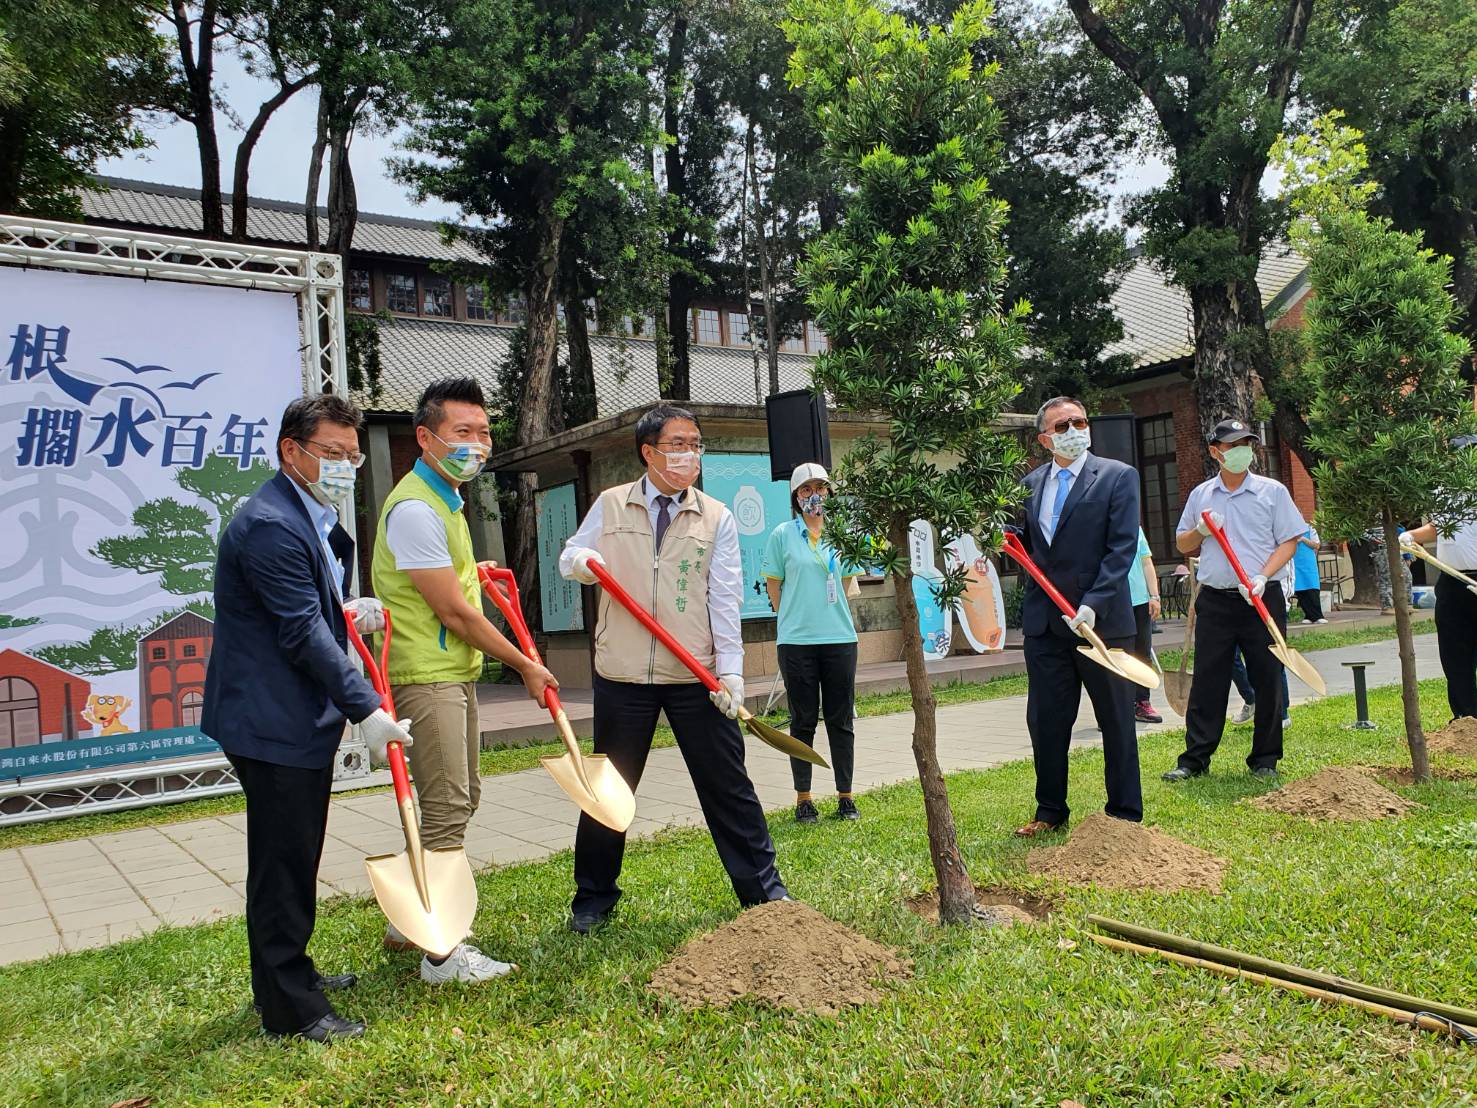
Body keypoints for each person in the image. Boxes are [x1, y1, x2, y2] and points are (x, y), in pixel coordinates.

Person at [203, 395, 413, 1042]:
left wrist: (348, 610)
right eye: (333, 454)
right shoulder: (270, 523)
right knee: (283, 863)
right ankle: (293, 1011)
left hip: (286, 714)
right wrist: (368, 711)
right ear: (291, 450)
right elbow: (298, 632)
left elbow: (309, 609)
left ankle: (288, 976)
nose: (347, 466)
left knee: (293, 855)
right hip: (270, 721)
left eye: (352, 455)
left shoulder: (307, 515)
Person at [559, 404, 789, 932]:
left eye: (695, 445)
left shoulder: (716, 516)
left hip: (695, 677)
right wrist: (582, 564)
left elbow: (725, 598)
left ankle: (764, 893)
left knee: (728, 785)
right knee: (609, 791)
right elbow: (571, 553)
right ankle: (593, 899)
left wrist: (730, 673)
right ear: (648, 452)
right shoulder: (612, 506)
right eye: (678, 444)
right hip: (623, 677)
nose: (689, 455)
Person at [370, 377, 559, 983]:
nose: (477, 445)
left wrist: (470, 572)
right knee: (448, 803)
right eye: (462, 433)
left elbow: (443, 587)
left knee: (462, 795)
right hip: (424, 675)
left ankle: (409, 919)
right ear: (425, 438)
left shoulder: (443, 498)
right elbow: (451, 612)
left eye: (483, 433)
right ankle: (442, 951)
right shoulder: (417, 508)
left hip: (449, 671)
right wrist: (526, 665)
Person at [1011, 396, 1143, 836]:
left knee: (1116, 718)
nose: (1073, 430)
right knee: (1046, 721)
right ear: (1045, 438)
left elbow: (1121, 548)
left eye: (1079, 422)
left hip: (1099, 622)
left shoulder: (1117, 477)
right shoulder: (1028, 486)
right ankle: (1050, 811)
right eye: (1062, 426)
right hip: (1046, 626)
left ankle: (1124, 813)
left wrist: (1093, 602)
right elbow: (1023, 547)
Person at [1163, 418, 1304, 782]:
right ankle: (1195, 759)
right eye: (1232, 445)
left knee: (1267, 677)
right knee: (1209, 679)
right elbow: (1182, 543)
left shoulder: (1272, 492)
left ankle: (1265, 758)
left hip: (1260, 597)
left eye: (1247, 443)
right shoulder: (1201, 496)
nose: (1242, 450)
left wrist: (1262, 575)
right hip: (1216, 600)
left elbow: (1290, 540)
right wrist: (1201, 530)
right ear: (1215, 452)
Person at [763, 462, 863, 823]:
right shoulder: (782, 535)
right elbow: (774, 585)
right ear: (795, 497)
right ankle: (804, 798)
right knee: (802, 718)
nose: (814, 495)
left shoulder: (844, 533)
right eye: (806, 490)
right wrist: (792, 616)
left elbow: (850, 583)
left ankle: (846, 796)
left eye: (820, 488)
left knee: (841, 718)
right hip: (796, 642)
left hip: (839, 638)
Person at [1400, 439, 1477, 719]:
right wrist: (1411, 536)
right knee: (1455, 653)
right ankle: (1465, 717)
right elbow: (1438, 527)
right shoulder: (1444, 491)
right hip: (1452, 581)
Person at [1127, 526, 1164, 724]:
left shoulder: (1136, 528)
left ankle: (1142, 702)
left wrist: (1154, 596)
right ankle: (1115, 707)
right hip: (1112, 602)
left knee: (1142, 654)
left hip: (1140, 601)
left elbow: (1146, 562)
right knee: (1116, 655)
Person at [1292, 523, 1327, 623]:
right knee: (1300, 589)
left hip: (1308, 563)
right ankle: (1308, 616)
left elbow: (1316, 545)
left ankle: (1318, 615)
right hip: (1296, 563)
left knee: (1312, 588)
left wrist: (1302, 539)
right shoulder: (1289, 529)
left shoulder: (1309, 528)